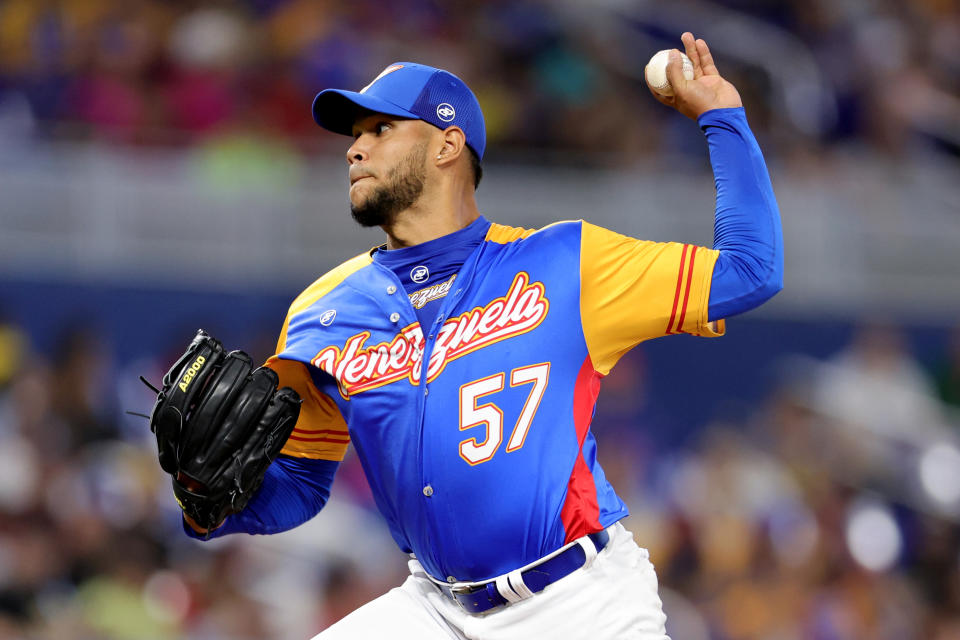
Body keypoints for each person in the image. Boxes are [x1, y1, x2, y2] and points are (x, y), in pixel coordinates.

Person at [181, 33, 783, 639]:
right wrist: (204, 495)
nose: (355, 149)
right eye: (354, 135)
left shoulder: (566, 262)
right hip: (435, 607)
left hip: (579, 600)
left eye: (381, 129)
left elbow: (750, 270)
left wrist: (721, 117)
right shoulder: (322, 312)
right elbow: (301, 488)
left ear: (448, 145)